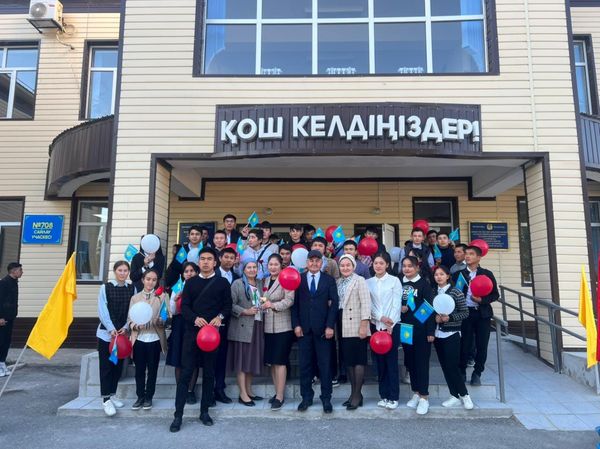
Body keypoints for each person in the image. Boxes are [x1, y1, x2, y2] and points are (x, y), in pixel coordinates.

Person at [170, 247, 232, 432]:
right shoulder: (190, 283)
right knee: (186, 374)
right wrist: (194, 318)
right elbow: (185, 307)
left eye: (209, 259)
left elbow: (227, 306)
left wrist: (220, 317)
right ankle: (178, 415)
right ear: (199, 262)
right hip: (192, 334)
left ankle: (204, 412)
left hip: (212, 336)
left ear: (215, 262)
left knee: (209, 374)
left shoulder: (222, 282)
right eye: (202, 259)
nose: (205, 262)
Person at [291, 250, 339, 413]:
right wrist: (296, 325)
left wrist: (330, 326)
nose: (314, 263)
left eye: (317, 261)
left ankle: (326, 398)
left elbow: (334, 305)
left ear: (321, 263)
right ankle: (306, 397)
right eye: (311, 260)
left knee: (325, 366)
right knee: (305, 366)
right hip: (304, 330)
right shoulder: (299, 279)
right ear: (306, 263)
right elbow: (295, 305)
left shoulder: (329, 280)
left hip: (323, 330)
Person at [453, 245, 499, 386]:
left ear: (479, 257)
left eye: (471, 254)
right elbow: (452, 293)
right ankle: (461, 371)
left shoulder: (486, 274)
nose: (467, 256)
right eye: (466, 253)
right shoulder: (459, 274)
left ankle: (477, 373)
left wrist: (482, 300)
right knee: (464, 344)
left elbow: (495, 295)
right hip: (465, 314)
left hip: (482, 314)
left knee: (482, 345)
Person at [97, 261, 135, 417]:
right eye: (120, 270)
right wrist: (111, 328)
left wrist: (126, 327)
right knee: (106, 367)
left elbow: (132, 310)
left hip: (122, 336)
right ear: (114, 271)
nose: (123, 273)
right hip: (107, 335)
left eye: (125, 270)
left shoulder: (131, 288)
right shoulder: (105, 288)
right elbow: (102, 310)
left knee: (117, 366)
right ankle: (105, 399)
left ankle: (112, 394)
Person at [432, 265, 473, 410]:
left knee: (452, 366)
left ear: (448, 276)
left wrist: (450, 318)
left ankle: (465, 395)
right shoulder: (433, 292)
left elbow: (465, 312)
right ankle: (454, 395)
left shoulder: (456, 292)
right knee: (445, 366)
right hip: (438, 334)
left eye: (442, 274)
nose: (439, 277)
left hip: (452, 334)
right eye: (436, 274)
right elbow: (430, 311)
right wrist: (435, 319)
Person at [128, 269, 168, 411]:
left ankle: (149, 397)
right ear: (143, 280)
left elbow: (166, 317)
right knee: (139, 370)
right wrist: (135, 325)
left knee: (152, 370)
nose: (151, 282)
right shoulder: (135, 298)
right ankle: (140, 396)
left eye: (154, 280)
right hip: (139, 338)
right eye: (148, 279)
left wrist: (161, 321)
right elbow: (129, 319)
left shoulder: (162, 297)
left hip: (154, 338)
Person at [367, 252, 402, 410]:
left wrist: (390, 323)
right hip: (376, 326)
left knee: (391, 363)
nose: (378, 266)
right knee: (379, 363)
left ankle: (393, 397)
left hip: (392, 327)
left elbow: (396, 303)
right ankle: (384, 395)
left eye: (381, 263)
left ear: (387, 264)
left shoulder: (394, 281)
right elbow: (369, 305)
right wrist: (380, 318)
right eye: (376, 263)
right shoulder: (368, 282)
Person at [401, 256, 435, 415]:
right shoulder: (400, 283)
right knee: (410, 362)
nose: (406, 269)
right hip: (405, 329)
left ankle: (424, 397)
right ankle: (416, 392)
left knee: (421, 363)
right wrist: (400, 308)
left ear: (417, 268)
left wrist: (429, 331)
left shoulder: (424, 285)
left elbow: (429, 308)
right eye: (404, 266)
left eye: (410, 266)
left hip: (421, 330)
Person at [227, 260, 265, 406]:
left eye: (254, 267)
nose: (252, 270)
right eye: (249, 267)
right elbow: (230, 304)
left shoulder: (260, 283)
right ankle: (242, 393)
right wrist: (245, 311)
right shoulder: (237, 284)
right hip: (242, 326)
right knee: (242, 361)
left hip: (257, 324)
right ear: (243, 269)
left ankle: (249, 390)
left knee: (251, 359)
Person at [336, 254, 371, 410]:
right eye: (342, 265)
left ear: (353, 266)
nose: (345, 268)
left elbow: (366, 303)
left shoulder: (360, 280)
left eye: (348, 265)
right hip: (342, 324)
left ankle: (357, 395)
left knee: (358, 360)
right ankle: (353, 393)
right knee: (349, 361)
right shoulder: (338, 282)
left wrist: (364, 325)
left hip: (357, 324)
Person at [261, 254, 295, 411]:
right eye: (270, 264)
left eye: (276, 264)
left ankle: (280, 396)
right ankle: (276, 392)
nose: (273, 267)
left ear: (281, 265)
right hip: (268, 326)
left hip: (283, 326)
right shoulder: (265, 280)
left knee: (280, 361)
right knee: (272, 362)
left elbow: (289, 300)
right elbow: (263, 299)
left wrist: (273, 305)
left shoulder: (286, 278)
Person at [166, 262, 200, 405]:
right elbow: (173, 312)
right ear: (182, 274)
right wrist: (175, 300)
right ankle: (181, 390)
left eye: (192, 270)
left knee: (193, 359)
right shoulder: (177, 287)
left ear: (196, 272)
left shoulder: (200, 286)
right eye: (186, 271)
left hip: (195, 324)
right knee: (178, 359)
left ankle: (191, 391)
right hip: (179, 325)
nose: (189, 273)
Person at [213, 247, 239, 404]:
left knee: (222, 355)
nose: (229, 260)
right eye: (226, 257)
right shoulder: (213, 274)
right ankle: (209, 390)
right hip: (213, 321)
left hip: (231, 320)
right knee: (212, 356)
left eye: (232, 258)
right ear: (220, 258)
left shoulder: (237, 277)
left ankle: (219, 388)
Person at [0, 262, 22, 378]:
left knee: (6, 342)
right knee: (1, 341)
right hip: (2, 318)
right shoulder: (4, 283)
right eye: (20, 270)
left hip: (10, 317)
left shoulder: (14, 282)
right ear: (13, 271)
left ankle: (2, 363)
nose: (22, 272)